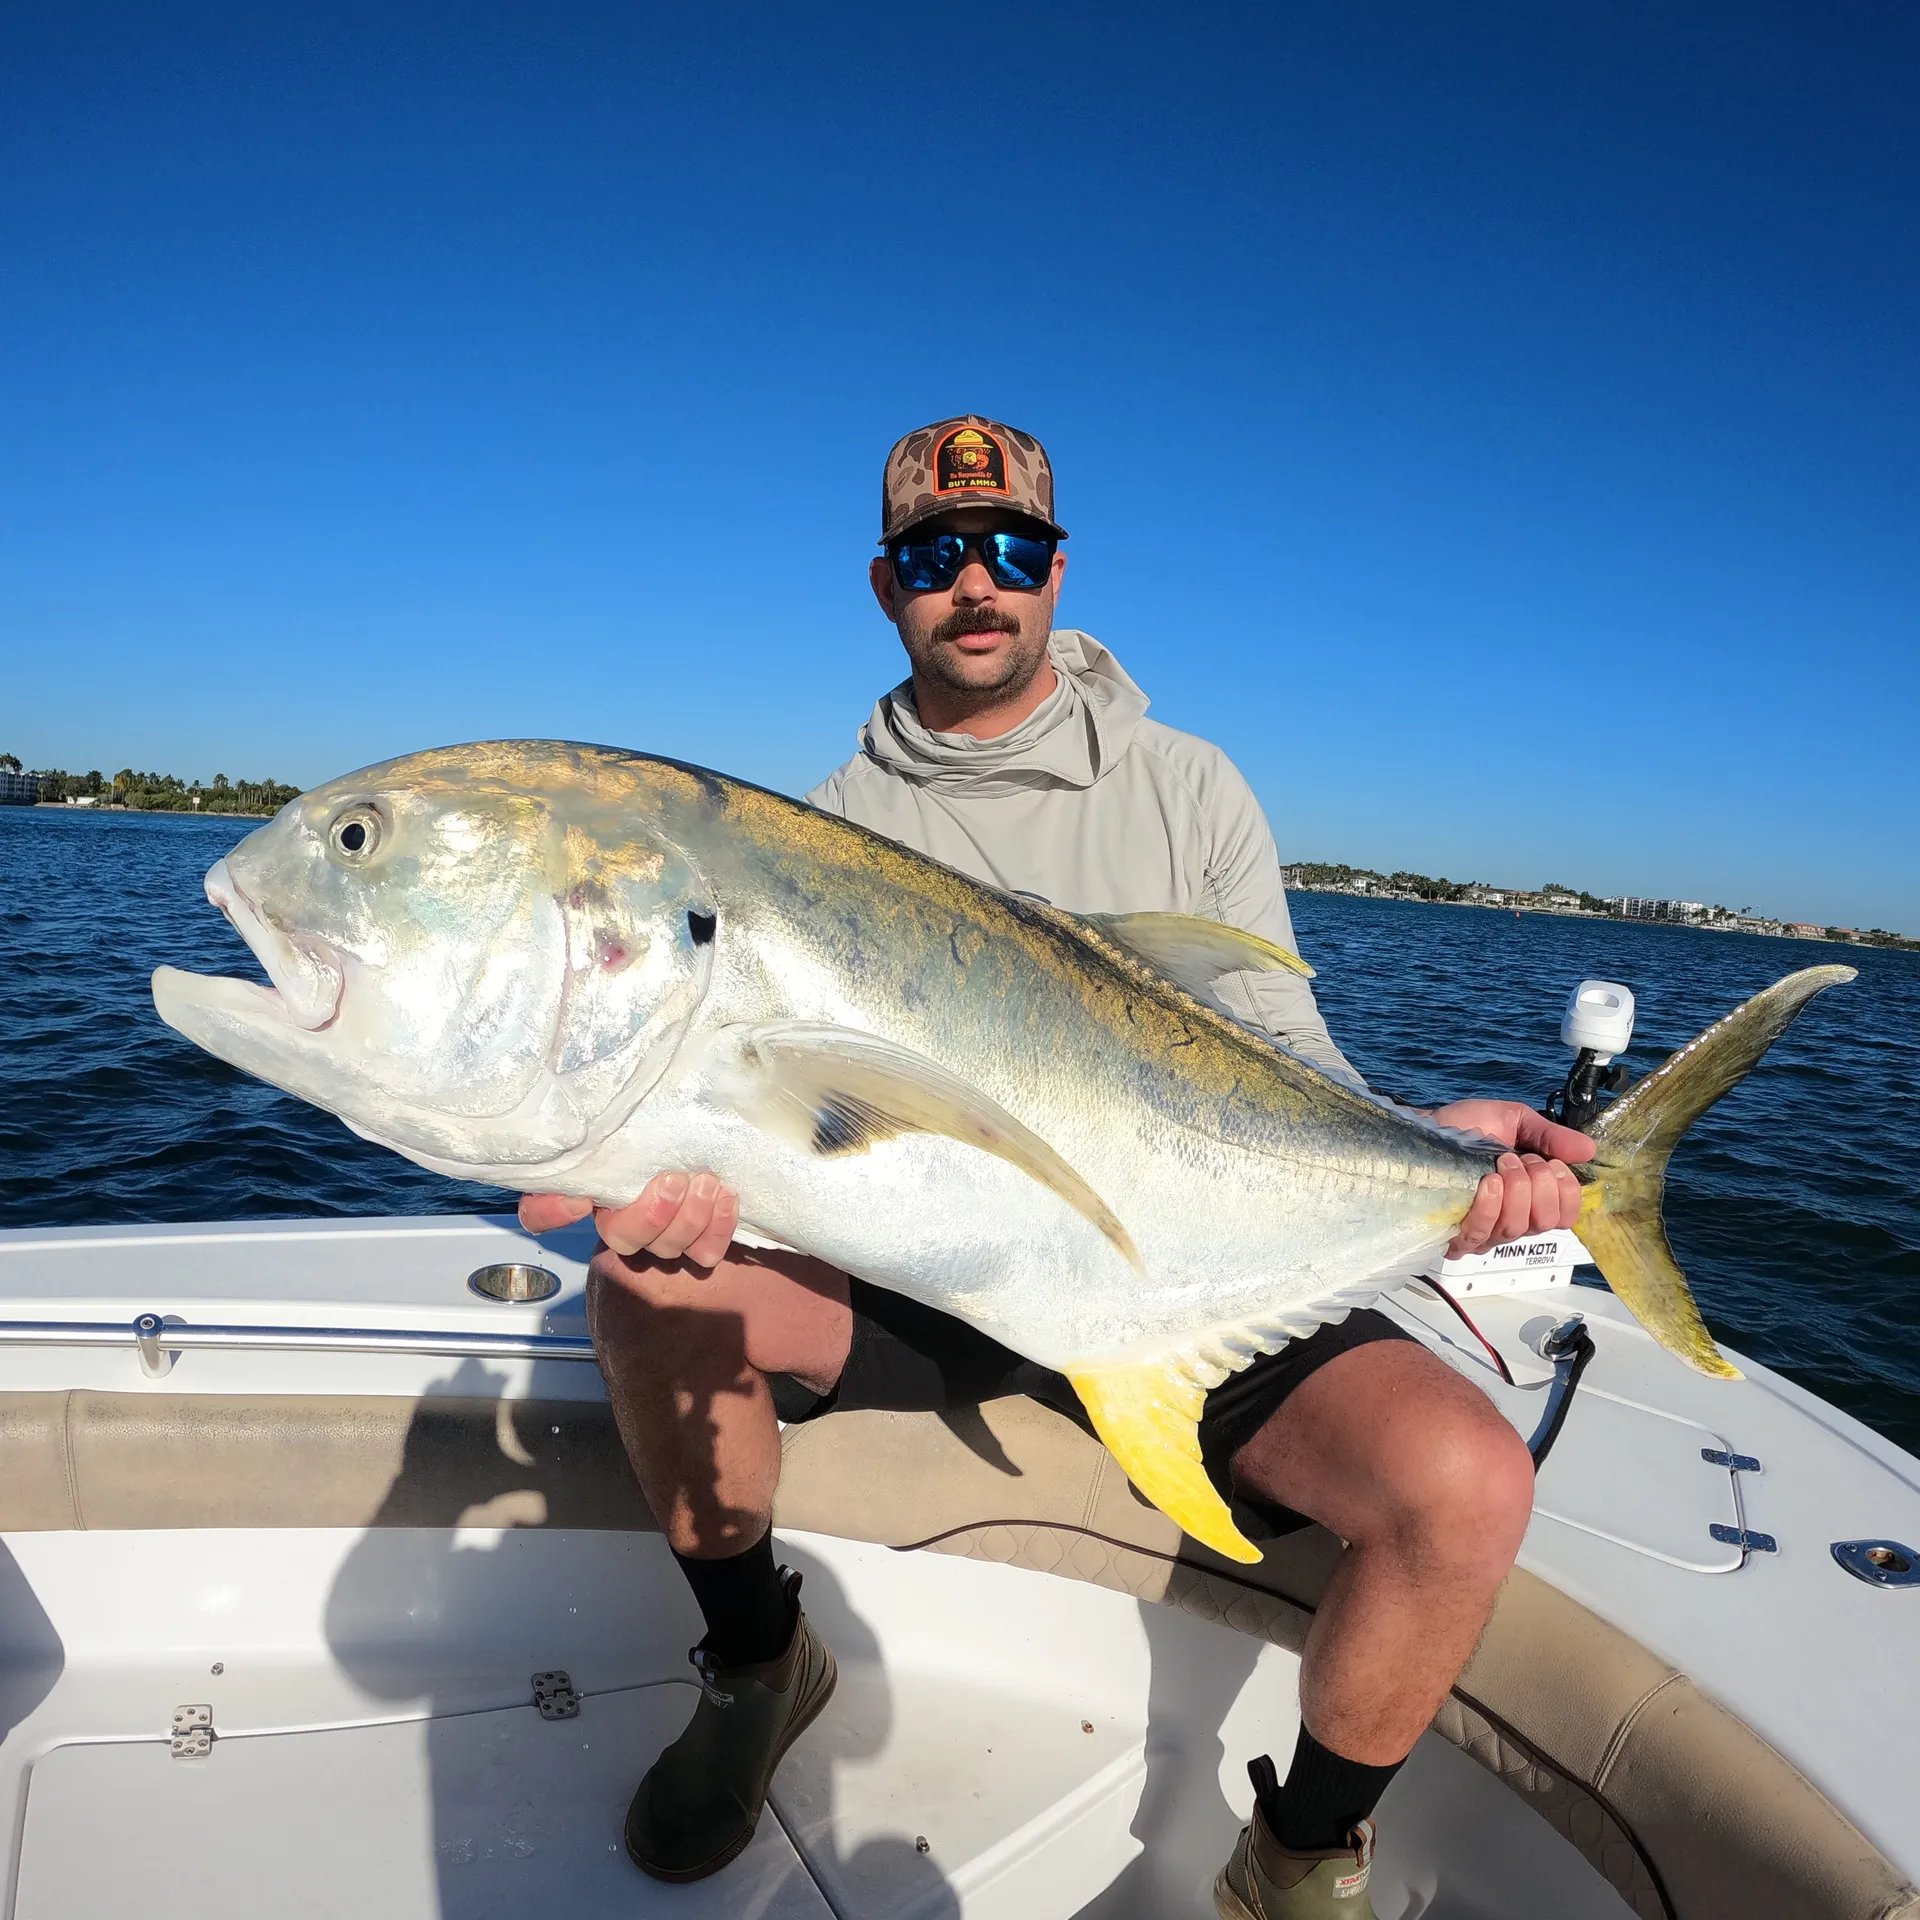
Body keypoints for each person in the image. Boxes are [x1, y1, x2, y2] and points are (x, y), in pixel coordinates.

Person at [520, 415, 1593, 1916]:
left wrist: (1433, 1142)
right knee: (642, 1291)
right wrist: (690, 1184)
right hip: (932, 1265)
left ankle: (1297, 1856)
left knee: (1466, 1485)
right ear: (886, 586)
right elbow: (782, 1116)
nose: (978, 582)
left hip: (1184, 1260)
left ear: (1057, 570)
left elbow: (1284, 1044)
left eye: (1009, 550)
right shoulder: (831, 828)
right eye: (935, 556)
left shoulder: (1188, 786)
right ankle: (760, 1667)